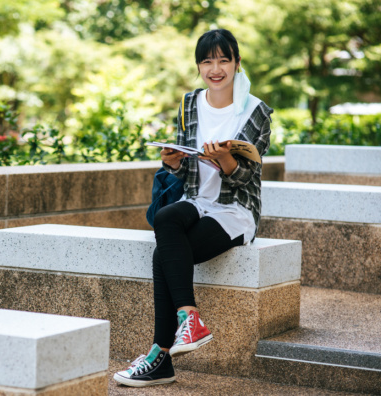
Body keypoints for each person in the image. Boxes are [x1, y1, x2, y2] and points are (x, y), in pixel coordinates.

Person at [113, 28, 273, 387]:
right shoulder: (190, 103)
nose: (215, 68)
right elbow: (185, 164)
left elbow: (248, 176)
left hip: (234, 210)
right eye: (207, 61)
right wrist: (172, 161)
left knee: (162, 255)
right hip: (196, 200)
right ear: (199, 66)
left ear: (236, 63)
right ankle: (190, 319)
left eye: (223, 60)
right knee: (168, 217)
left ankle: (160, 356)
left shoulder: (256, 111)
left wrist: (226, 162)